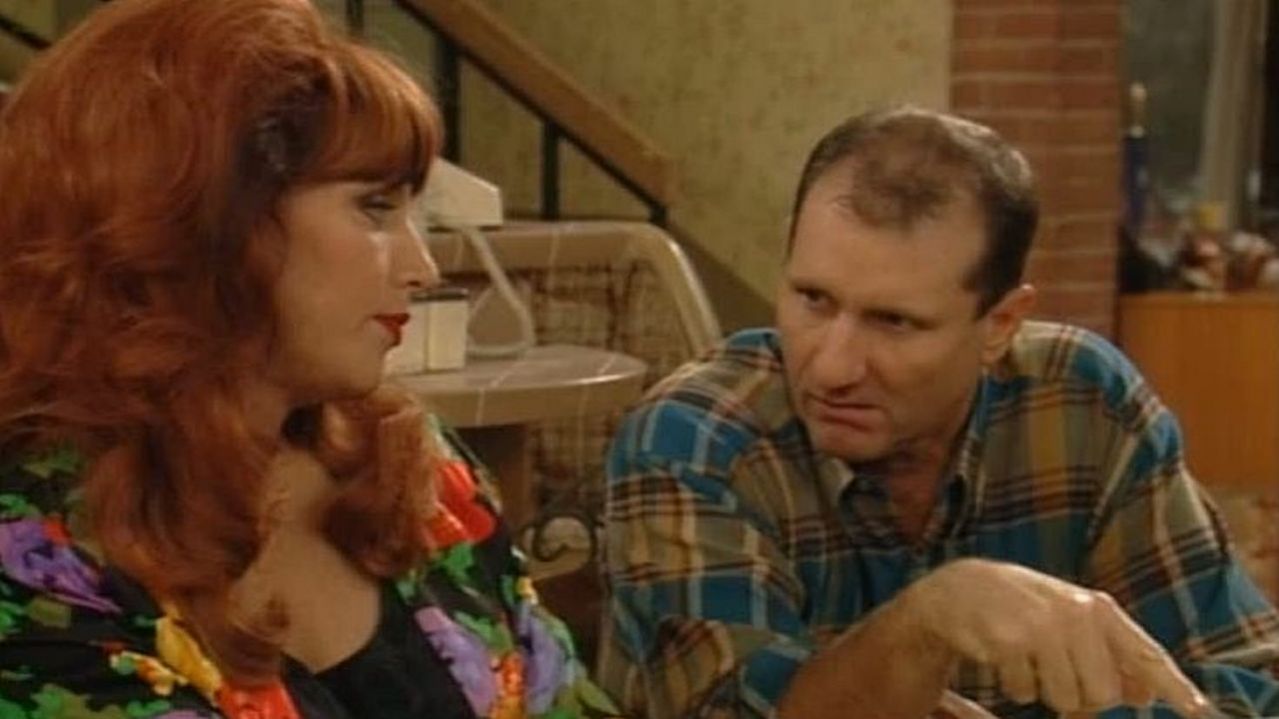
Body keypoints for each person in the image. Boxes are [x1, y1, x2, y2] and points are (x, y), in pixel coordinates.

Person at [0, 1, 621, 717]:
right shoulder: (36, 554)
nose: (422, 268)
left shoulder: (412, 465)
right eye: (375, 208)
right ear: (201, 226)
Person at [599, 107, 1279, 718]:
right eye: (813, 299)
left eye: (894, 322)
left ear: (999, 324)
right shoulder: (696, 439)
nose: (832, 368)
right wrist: (930, 621)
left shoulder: (1080, 403)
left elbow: (1241, 680)